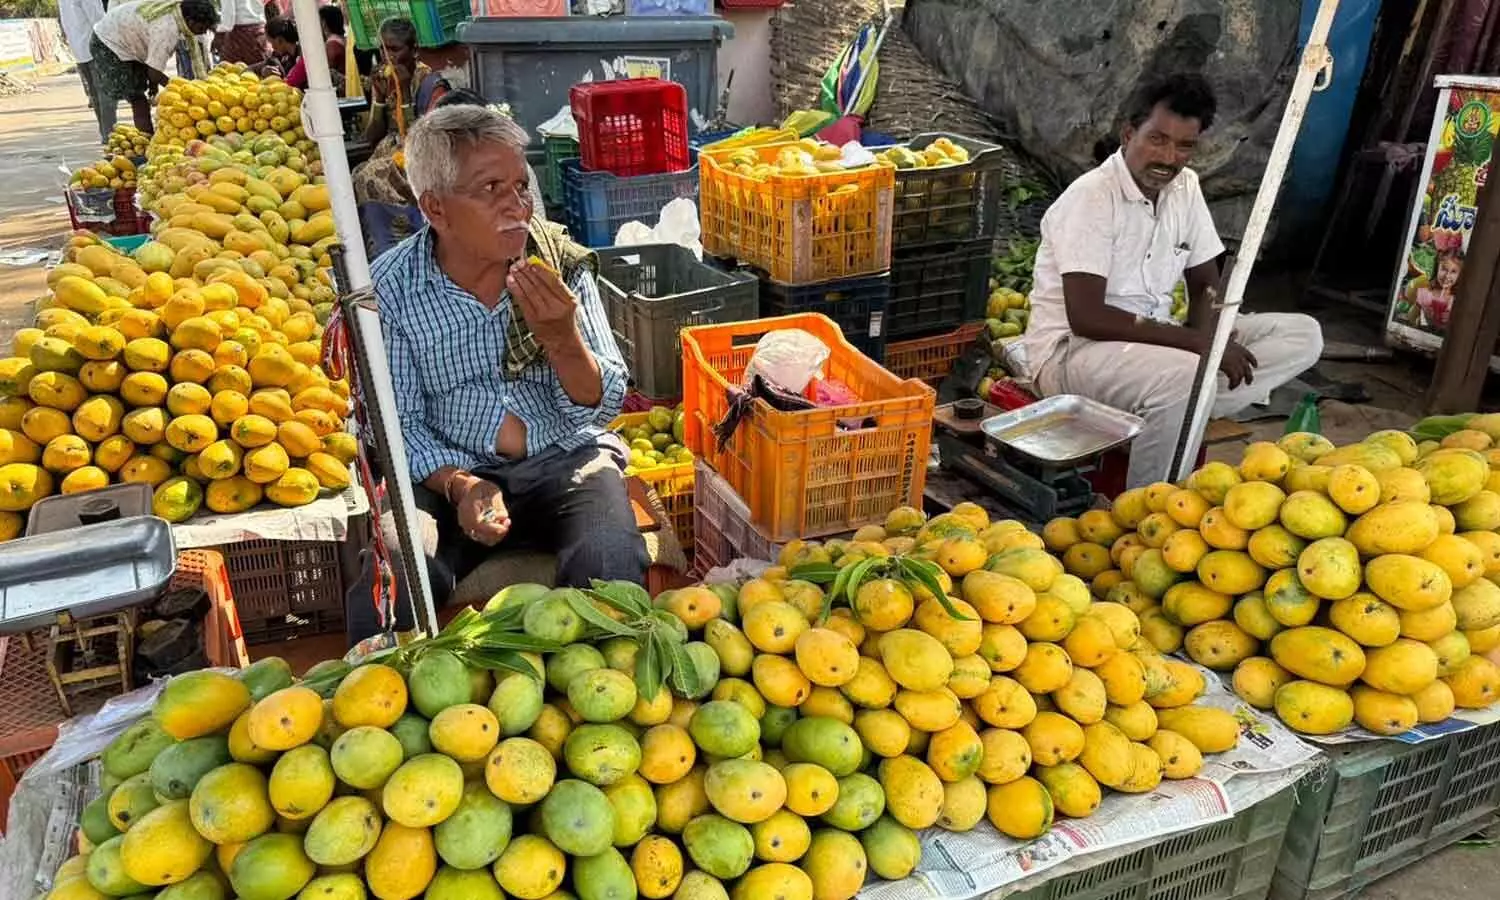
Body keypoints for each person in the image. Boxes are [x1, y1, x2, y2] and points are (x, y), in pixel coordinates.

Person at [372, 104, 648, 591]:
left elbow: (604, 405)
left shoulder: (556, 263)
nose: (516, 207)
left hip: (564, 456)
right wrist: (462, 485)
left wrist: (563, 340)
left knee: (609, 554)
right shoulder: (391, 290)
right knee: (400, 569)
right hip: (452, 469)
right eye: (490, 189)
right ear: (436, 209)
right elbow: (400, 427)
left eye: (521, 186)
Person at [1009, 73, 1324, 488]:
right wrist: (1200, 346)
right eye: (1157, 139)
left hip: (1151, 345)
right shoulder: (1092, 197)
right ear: (1128, 133)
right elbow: (1087, 317)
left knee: (1302, 335)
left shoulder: (1184, 187)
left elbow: (1204, 281)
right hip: (1075, 355)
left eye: (1184, 146)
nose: (1169, 157)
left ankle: (1178, 404)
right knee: (1187, 377)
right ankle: (1148, 506)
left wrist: (1210, 330)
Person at [351, 17, 447, 205]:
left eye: (394, 49)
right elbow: (372, 138)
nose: (387, 57)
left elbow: (423, 144)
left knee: (369, 178)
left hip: (416, 162)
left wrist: (404, 92)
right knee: (356, 175)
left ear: (414, 51)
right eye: (383, 50)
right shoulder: (384, 80)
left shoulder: (432, 86)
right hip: (387, 154)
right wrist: (378, 98)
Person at [91, 0, 220, 135]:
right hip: (109, 42)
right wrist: (182, 91)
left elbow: (153, 65)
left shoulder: (174, 11)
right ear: (190, 21)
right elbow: (153, 72)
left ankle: (146, 137)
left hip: (126, 39)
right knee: (137, 98)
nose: (201, 34)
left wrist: (154, 85)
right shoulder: (167, 29)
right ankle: (146, 141)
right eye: (201, 29)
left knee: (140, 91)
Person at [60, 0, 107, 138]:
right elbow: (98, 20)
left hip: (79, 50)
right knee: (104, 96)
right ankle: (110, 137)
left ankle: (106, 135)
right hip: (95, 49)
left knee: (95, 95)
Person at [214, 0, 269, 66]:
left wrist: (219, 33)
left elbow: (228, 15)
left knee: (231, 71)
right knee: (261, 68)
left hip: (239, 34)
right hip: (260, 29)